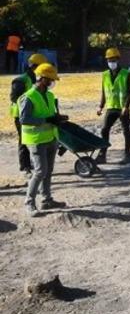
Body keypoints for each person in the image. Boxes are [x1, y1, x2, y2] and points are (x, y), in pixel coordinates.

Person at [20, 63, 68, 217]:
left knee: (48, 171)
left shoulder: (49, 95)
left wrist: (58, 119)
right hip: (35, 139)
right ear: (41, 78)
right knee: (40, 171)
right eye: (49, 80)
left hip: (50, 138)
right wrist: (46, 120)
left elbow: (49, 114)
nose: (51, 83)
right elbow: (24, 119)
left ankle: (47, 200)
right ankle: (29, 202)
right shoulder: (28, 97)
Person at [10, 52, 47, 173]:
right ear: (34, 66)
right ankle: (25, 165)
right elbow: (14, 97)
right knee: (24, 139)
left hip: (33, 114)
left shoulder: (37, 79)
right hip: (21, 115)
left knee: (33, 139)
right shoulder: (21, 80)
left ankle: (32, 163)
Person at [96, 47, 130, 165]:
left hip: (122, 108)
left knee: (126, 130)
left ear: (118, 59)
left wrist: (126, 107)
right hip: (111, 106)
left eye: (113, 60)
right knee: (104, 130)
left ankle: (127, 155)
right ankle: (102, 155)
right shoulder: (105, 74)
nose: (111, 62)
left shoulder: (126, 74)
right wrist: (100, 106)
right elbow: (104, 91)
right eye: (109, 60)